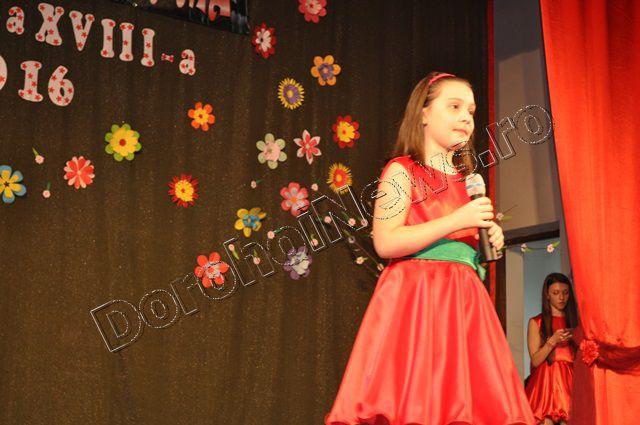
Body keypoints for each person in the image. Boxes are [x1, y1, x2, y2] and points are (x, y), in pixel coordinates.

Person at [325, 72, 535, 424]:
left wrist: (487, 238)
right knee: (418, 403)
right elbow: (385, 241)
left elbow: (462, 247)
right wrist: (456, 221)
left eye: (471, 111)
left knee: (468, 406)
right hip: (418, 301)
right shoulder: (401, 171)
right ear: (423, 113)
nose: (466, 117)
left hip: (464, 305)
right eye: (454, 107)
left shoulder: (468, 182)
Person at [525, 273, 578, 425]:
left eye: (565, 293)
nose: (561, 297)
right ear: (547, 295)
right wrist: (552, 341)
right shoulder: (537, 322)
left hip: (570, 383)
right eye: (555, 293)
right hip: (545, 386)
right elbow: (535, 361)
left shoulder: (576, 323)